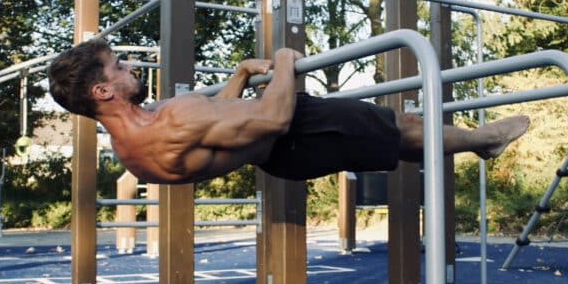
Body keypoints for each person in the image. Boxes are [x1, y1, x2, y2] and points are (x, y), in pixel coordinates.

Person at [47, 38, 530, 185]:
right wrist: (284, 62)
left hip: (275, 154)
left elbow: (217, 123)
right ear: (102, 91)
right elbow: (272, 118)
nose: (129, 65)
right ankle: (485, 140)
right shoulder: (173, 121)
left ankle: (459, 144)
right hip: (290, 132)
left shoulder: (131, 145)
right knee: (399, 126)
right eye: (117, 66)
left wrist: (239, 74)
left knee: (395, 138)